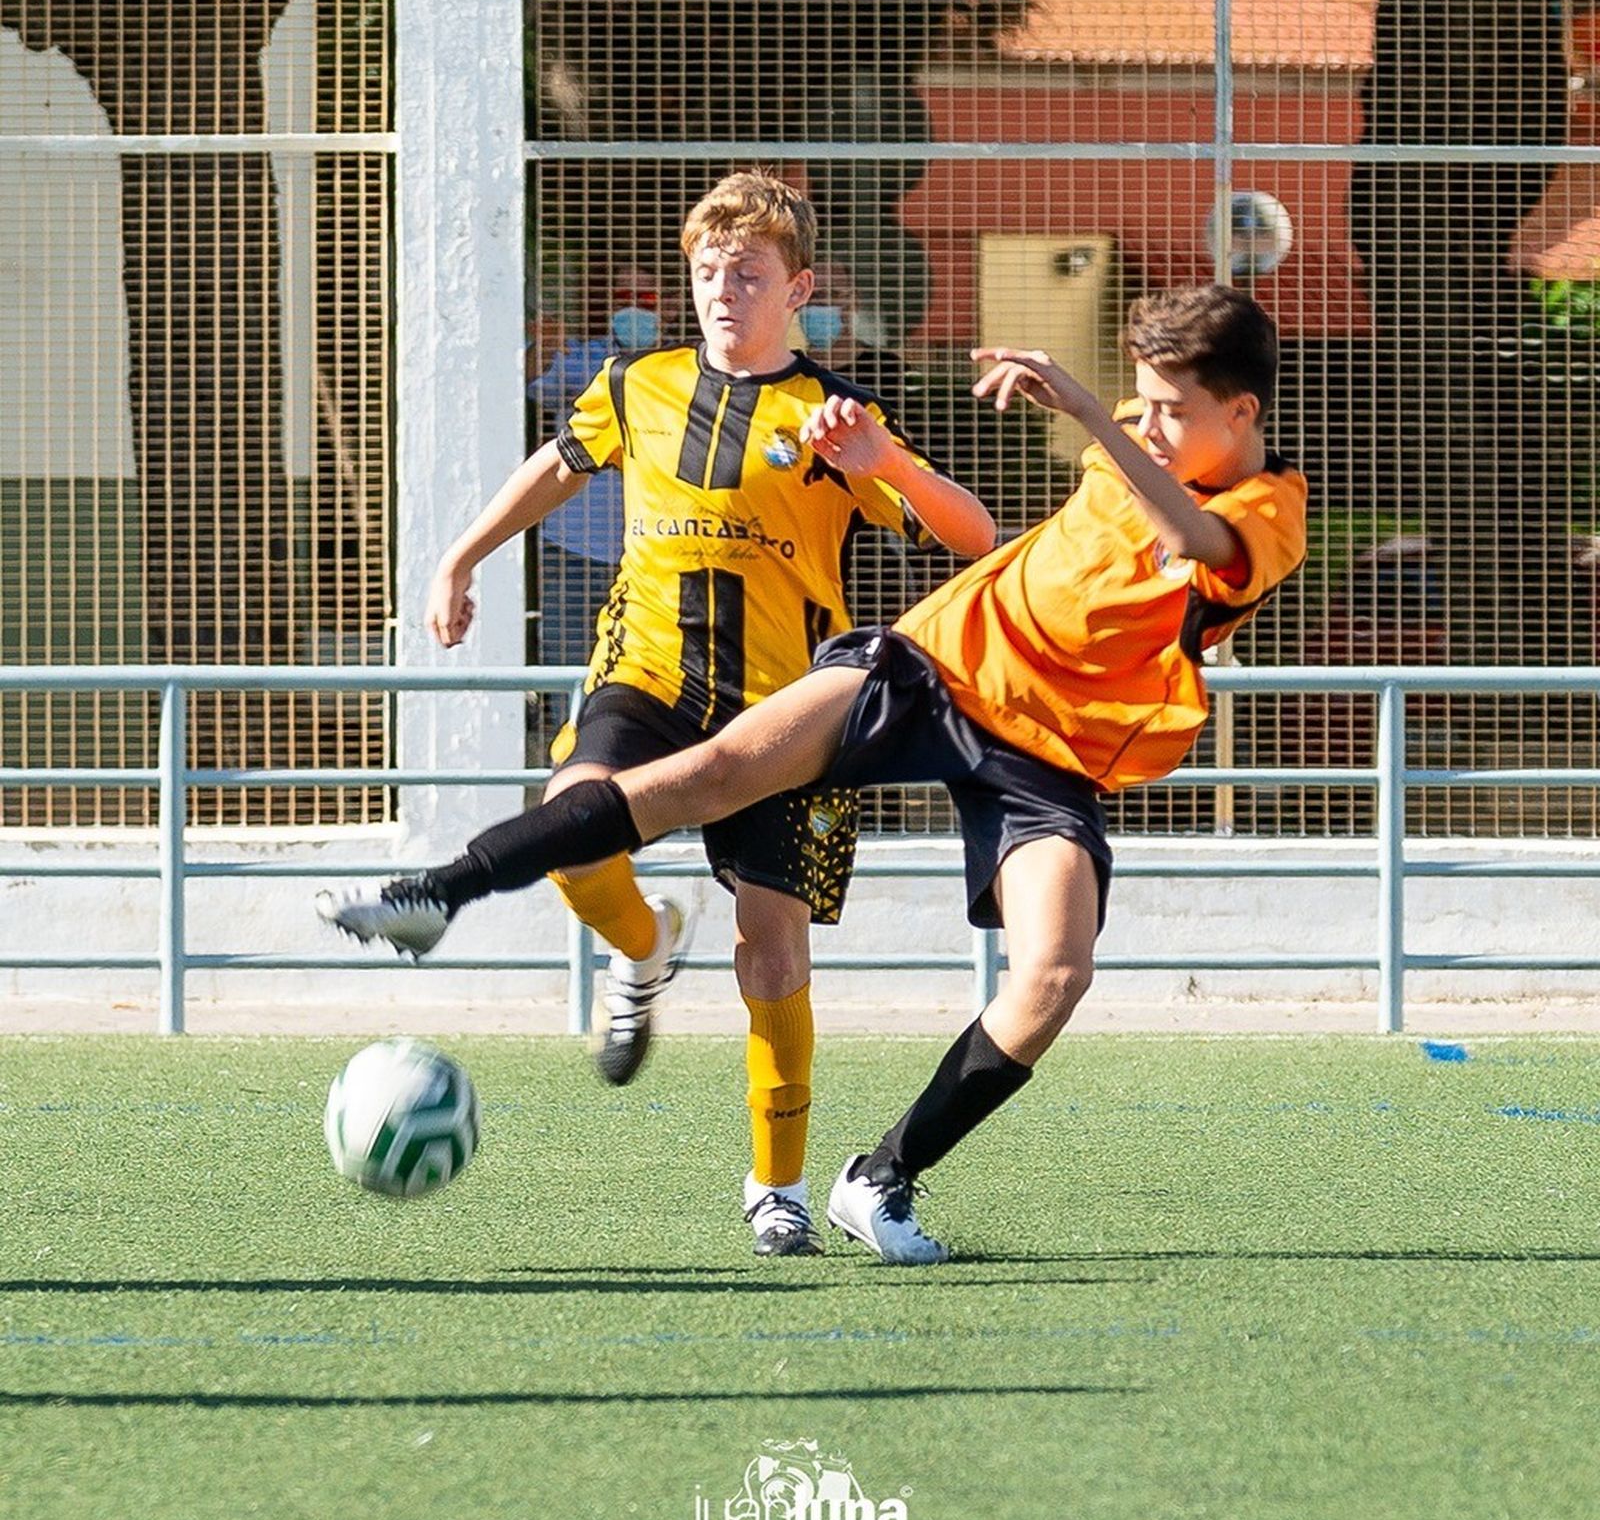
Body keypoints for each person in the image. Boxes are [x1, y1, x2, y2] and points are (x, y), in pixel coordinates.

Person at [321, 283, 1305, 1264]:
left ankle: (879, 1177)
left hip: (1051, 754)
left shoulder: (1270, 511)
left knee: (1053, 973)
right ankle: (438, 892)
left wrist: (1092, 410)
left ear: (1242, 413)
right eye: (1142, 401)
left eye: (1173, 409)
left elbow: (1190, 538)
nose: (1152, 421)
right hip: (935, 666)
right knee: (711, 773)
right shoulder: (1150, 426)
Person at [321, 171, 996, 1259]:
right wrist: (459, 555)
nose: (722, 290)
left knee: (768, 952)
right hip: (646, 674)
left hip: (786, 712)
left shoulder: (832, 415)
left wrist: (881, 461)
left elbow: (975, 538)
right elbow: (558, 465)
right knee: (572, 815)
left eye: (748, 273)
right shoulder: (638, 383)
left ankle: (775, 1187)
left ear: (798, 289)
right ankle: (640, 952)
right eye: (707, 272)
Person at [526, 267, 669, 666]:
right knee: (568, 657)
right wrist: (543, 347)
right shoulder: (585, 357)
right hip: (574, 544)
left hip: (653, 545)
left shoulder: (685, 365)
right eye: (624, 299)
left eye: (647, 301)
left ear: (671, 307)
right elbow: (530, 382)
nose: (634, 309)